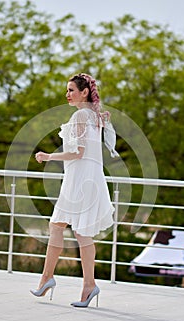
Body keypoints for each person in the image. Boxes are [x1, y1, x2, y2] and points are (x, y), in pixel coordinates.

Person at [30, 73, 117, 307]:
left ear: (84, 92)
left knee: (60, 226)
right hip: (88, 177)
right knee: (79, 231)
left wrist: (48, 156)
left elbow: (77, 153)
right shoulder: (94, 116)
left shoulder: (81, 115)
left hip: (80, 178)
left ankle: (49, 278)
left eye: (71, 90)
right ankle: (86, 285)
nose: (67, 94)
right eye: (67, 90)